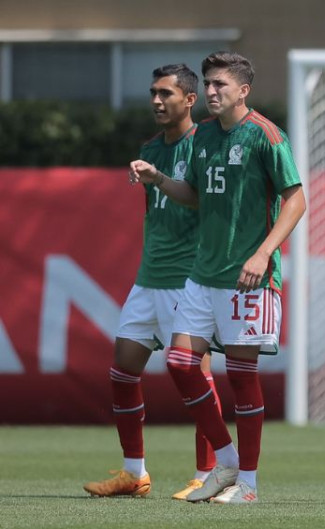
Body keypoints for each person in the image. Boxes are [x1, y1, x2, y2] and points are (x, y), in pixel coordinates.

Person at [128, 51, 307, 504]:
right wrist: (159, 179)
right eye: (207, 84)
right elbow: (195, 196)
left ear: (242, 90)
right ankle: (225, 461)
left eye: (220, 85)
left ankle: (248, 483)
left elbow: (296, 200)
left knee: (242, 378)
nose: (211, 91)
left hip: (247, 278)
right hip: (202, 275)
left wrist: (264, 253)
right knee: (180, 364)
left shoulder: (267, 135)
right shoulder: (203, 136)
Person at [83, 64, 222, 500]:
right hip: (149, 279)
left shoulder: (205, 143)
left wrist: (161, 180)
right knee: (122, 372)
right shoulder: (149, 148)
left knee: (195, 376)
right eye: (153, 93)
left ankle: (207, 473)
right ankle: (134, 473)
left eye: (166, 93)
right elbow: (156, 211)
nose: (157, 101)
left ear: (189, 99)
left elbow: (204, 202)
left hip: (188, 282)